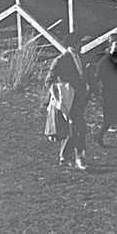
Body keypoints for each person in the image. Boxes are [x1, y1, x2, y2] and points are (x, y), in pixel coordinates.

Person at [44, 30, 89, 170]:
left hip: (80, 98)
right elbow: (49, 81)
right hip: (68, 100)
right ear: (73, 44)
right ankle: (78, 157)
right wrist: (57, 96)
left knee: (75, 128)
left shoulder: (82, 58)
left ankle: (65, 156)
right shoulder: (61, 60)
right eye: (79, 43)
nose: (81, 45)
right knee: (79, 128)